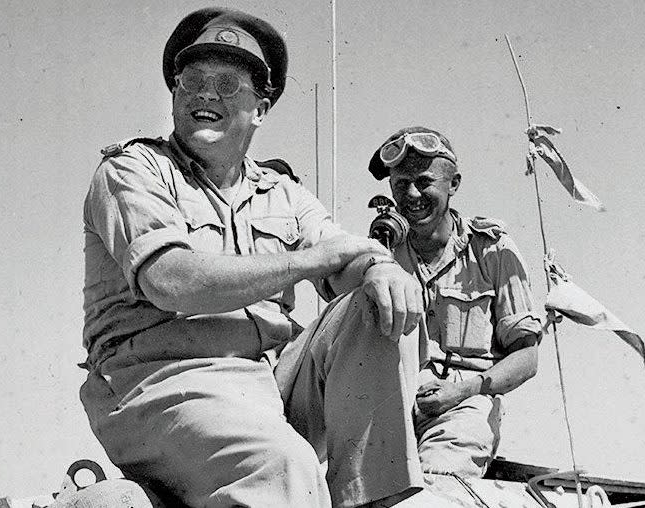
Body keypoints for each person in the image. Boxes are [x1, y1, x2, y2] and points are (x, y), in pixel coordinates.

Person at [79, 8, 432, 508]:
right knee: (282, 464)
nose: (205, 95)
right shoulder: (133, 171)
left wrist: (380, 268)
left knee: (379, 302)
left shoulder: (280, 191)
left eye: (226, 84)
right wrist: (309, 262)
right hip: (160, 384)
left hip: (266, 381)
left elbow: (345, 256)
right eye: (191, 81)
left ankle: (373, 499)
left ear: (260, 108)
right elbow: (170, 279)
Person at [367, 127, 544, 478]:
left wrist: (463, 389)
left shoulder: (493, 251)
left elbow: (527, 356)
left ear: (454, 184)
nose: (412, 194)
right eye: (401, 184)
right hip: (386, 405)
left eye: (424, 182)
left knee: (436, 484)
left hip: (463, 406)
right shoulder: (378, 254)